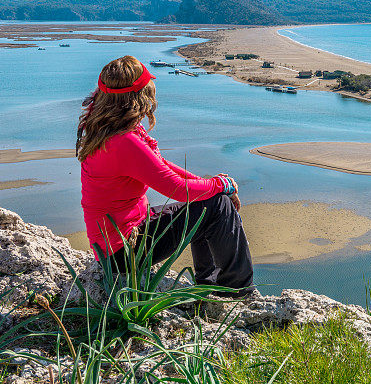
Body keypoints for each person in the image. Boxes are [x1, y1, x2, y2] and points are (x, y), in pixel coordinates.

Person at [76, 55, 254, 296]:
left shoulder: (105, 127)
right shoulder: (124, 142)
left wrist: (212, 184)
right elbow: (177, 190)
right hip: (125, 251)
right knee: (218, 205)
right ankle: (236, 290)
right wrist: (221, 186)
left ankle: (210, 282)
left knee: (207, 199)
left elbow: (160, 166)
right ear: (139, 96)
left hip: (116, 244)